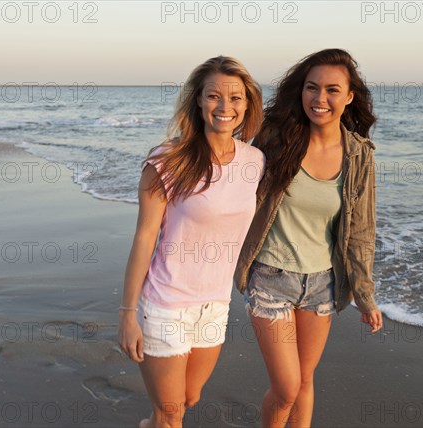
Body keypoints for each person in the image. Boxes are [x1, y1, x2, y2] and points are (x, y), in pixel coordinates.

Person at [234, 48, 383, 427]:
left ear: (349, 96)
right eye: (312, 88)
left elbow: (361, 231)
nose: (320, 99)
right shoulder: (275, 137)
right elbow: (231, 175)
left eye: (332, 90)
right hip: (270, 277)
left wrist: (365, 295)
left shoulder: (359, 155)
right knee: (286, 387)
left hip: (322, 285)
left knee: (305, 382)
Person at [118, 56, 264, 428]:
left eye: (235, 98)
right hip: (166, 304)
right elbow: (145, 236)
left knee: (188, 398)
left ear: (247, 104)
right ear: (198, 100)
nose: (225, 107)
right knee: (171, 413)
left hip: (214, 305)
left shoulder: (256, 162)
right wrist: (127, 314)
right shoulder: (167, 160)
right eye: (214, 96)